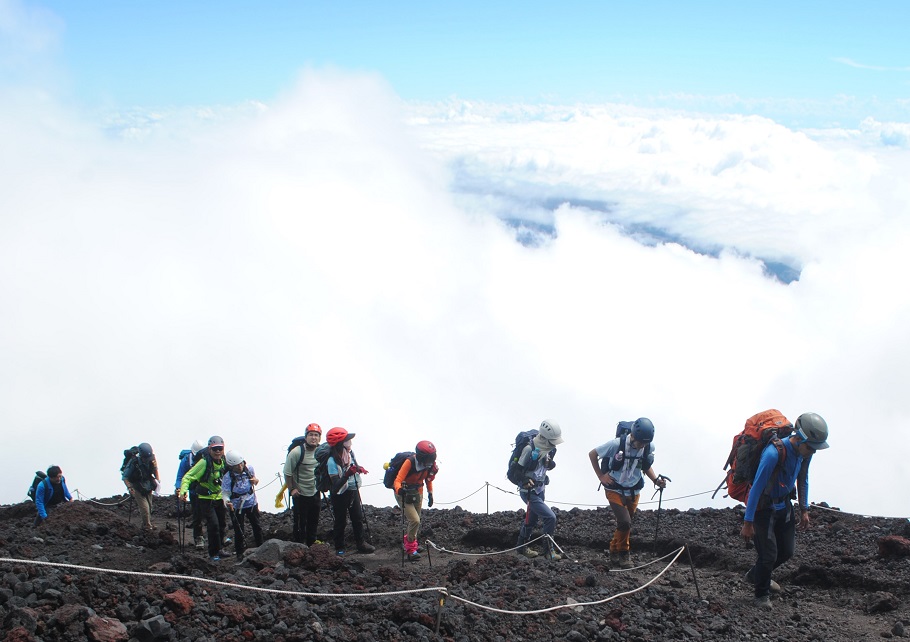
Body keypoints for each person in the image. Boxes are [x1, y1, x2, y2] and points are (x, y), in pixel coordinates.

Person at [740, 412, 829, 610]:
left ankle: (757, 575)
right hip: (764, 509)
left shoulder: (805, 452)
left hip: (784, 505)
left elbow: (803, 478)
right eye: (811, 447)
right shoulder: (773, 454)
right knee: (768, 554)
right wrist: (748, 522)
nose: (813, 452)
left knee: (787, 551)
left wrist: (804, 509)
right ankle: (761, 595)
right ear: (800, 438)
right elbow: (756, 487)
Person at [588, 418, 667, 569]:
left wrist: (656, 480)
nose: (642, 446)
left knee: (624, 525)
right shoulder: (617, 444)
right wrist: (601, 476)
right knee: (625, 522)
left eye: (645, 443)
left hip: (634, 490)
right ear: (633, 436)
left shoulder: (648, 447)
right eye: (640, 443)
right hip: (614, 488)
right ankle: (624, 553)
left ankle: (613, 550)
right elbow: (592, 454)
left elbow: (645, 466)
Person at [514, 420, 564, 561]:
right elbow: (517, 470)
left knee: (532, 518)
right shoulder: (529, 449)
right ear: (544, 438)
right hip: (529, 492)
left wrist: (550, 465)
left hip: (540, 489)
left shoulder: (550, 450)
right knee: (550, 517)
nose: (554, 444)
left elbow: (544, 468)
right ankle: (548, 551)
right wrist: (524, 480)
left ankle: (521, 546)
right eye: (551, 441)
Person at [325, 427, 375, 556]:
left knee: (357, 518)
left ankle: (361, 543)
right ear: (341, 442)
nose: (350, 443)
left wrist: (358, 468)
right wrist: (347, 474)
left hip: (352, 490)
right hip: (340, 494)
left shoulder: (349, 454)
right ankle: (339, 547)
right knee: (340, 520)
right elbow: (335, 486)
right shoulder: (331, 461)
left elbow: (352, 466)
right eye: (348, 440)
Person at [179, 435, 230, 561]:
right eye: (214, 449)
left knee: (222, 524)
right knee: (213, 525)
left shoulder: (224, 460)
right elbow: (188, 477)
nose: (217, 451)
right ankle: (213, 553)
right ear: (209, 449)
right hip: (205, 498)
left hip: (218, 496)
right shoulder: (204, 462)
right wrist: (183, 491)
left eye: (220, 448)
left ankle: (219, 549)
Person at [392, 440, 439, 561]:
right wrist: (399, 490)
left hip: (418, 493)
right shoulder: (410, 462)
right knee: (415, 520)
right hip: (404, 494)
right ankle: (411, 548)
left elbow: (428, 480)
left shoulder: (428, 465)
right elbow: (398, 480)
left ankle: (413, 544)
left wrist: (430, 494)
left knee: (416, 520)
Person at [283, 423, 323, 545]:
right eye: (311, 435)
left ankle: (311, 543)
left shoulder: (321, 451)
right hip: (300, 492)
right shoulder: (296, 452)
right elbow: (287, 473)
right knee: (300, 521)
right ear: (306, 437)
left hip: (315, 490)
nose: (313, 438)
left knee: (314, 518)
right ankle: (299, 544)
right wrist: (292, 489)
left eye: (316, 435)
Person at [222, 450, 263, 556]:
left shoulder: (249, 469)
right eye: (236, 466)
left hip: (251, 502)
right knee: (239, 530)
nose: (240, 467)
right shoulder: (228, 477)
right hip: (236, 505)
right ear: (231, 466)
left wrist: (255, 481)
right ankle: (240, 553)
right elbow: (225, 493)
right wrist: (227, 502)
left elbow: (255, 480)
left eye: (241, 464)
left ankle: (262, 548)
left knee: (257, 526)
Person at [122, 443, 160, 530]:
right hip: (137, 487)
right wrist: (130, 488)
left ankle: (146, 524)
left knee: (149, 507)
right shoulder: (134, 462)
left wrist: (158, 482)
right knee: (145, 508)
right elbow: (125, 477)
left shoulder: (151, 459)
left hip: (148, 485)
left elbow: (155, 470)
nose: (147, 460)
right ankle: (147, 526)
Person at [175, 440, 205, 548]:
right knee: (197, 515)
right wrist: (180, 489)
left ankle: (217, 538)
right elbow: (180, 477)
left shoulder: (207, 459)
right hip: (194, 491)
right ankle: (199, 538)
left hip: (207, 491)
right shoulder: (186, 461)